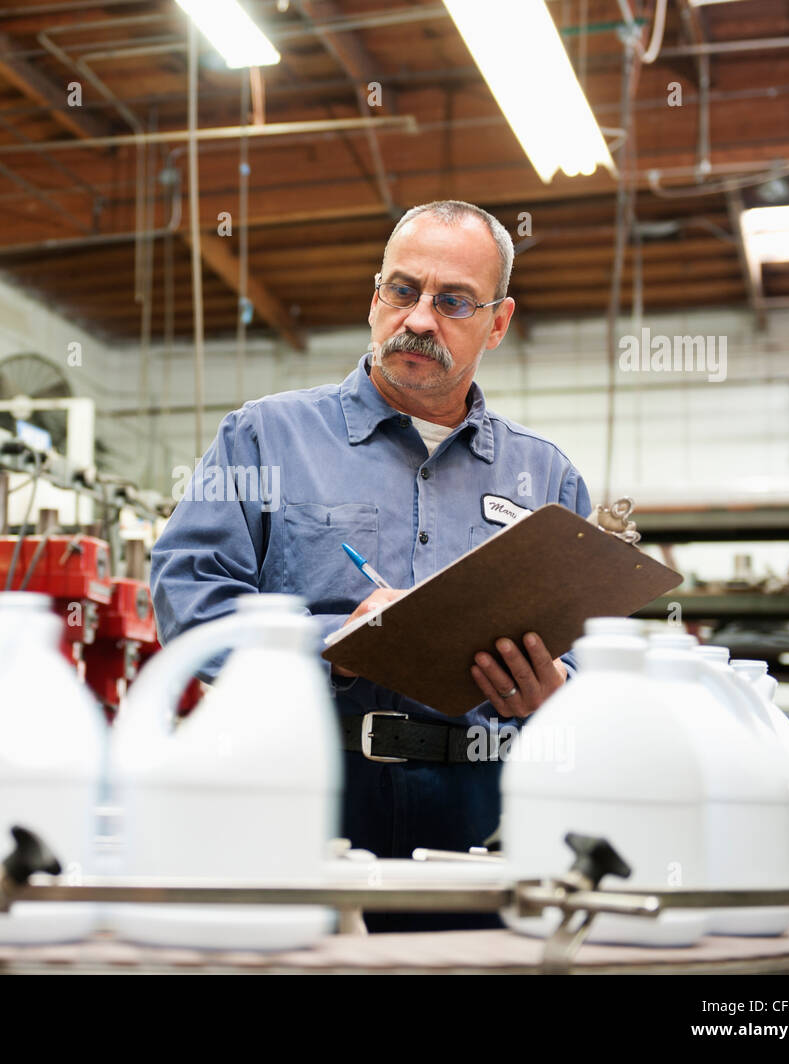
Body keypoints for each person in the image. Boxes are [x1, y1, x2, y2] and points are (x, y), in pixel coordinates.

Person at [150, 200, 593, 932]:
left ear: (498, 322)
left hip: (487, 810)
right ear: (374, 296)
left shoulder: (546, 478)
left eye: (453, 302)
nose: (419, 319)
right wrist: (331, 644)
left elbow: (592, 654)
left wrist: (560, 690)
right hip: (306, 795)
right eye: (402, 290)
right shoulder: (265, 438)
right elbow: (189, 600)